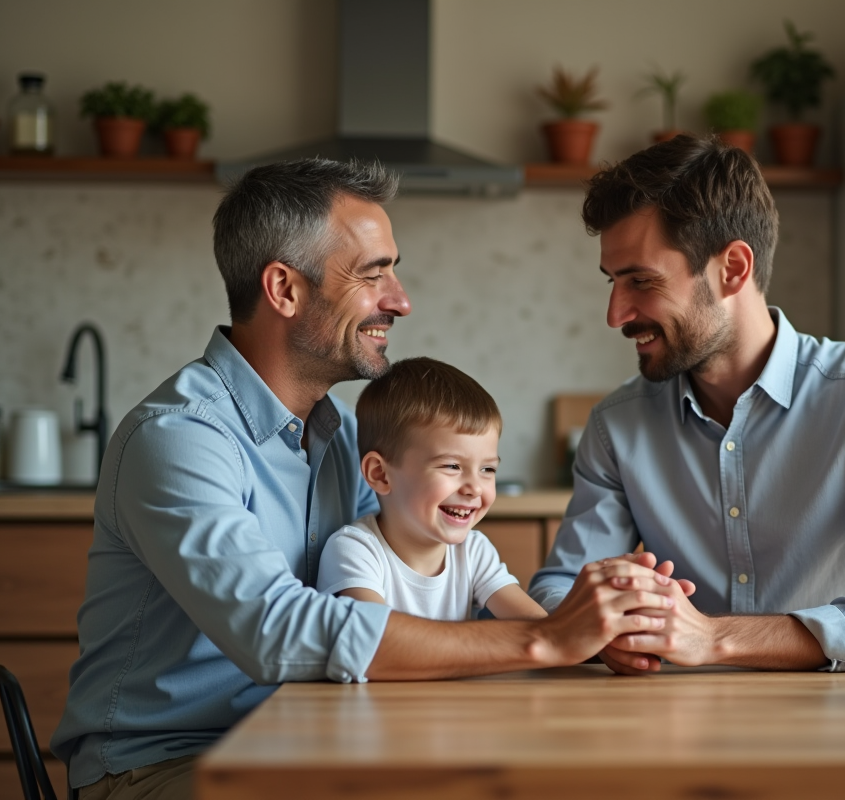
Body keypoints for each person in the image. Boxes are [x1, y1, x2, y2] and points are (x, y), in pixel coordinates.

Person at [52, 158, 675, 800]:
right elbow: (277, 631)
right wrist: (543, 640)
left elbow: (400, 583)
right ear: (284, 289)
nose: (400, 300)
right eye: (374, 274)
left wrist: (600, 630)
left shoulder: (342, 437)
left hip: (308, 738)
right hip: (165, 765)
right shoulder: (179, 440)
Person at [528, 135, 845, 675]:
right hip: (674, 728)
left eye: (641, 281)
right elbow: (558, 587)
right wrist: (596, 632)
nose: (616, 313)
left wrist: (714, 638)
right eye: (613, 283)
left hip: (840, 728)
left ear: (733, 268)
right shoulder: (615, 425)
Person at [317, 357, 546, 621]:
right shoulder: (354, 550)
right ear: (380, 474)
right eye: (451, 466)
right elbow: (380, 641)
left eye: (488, 470)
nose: (474, 488)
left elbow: (540, 629)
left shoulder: (474, 551)